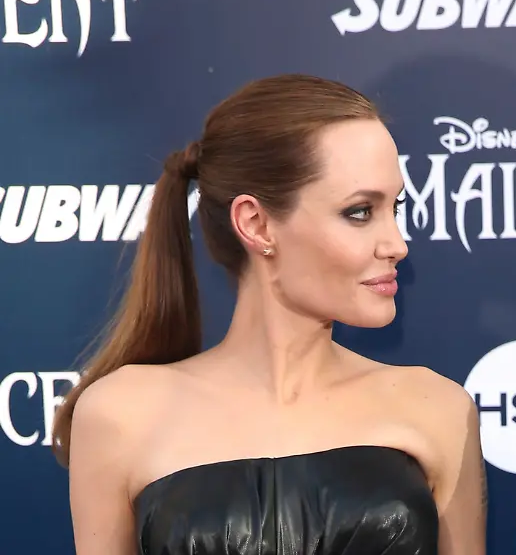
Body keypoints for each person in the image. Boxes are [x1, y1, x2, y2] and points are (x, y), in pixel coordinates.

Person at [52, 74, 487, 555]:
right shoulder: (119, 415)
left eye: (395, 208)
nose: (397, 244)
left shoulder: (437, 410)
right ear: (256, 224)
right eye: (361, 212)